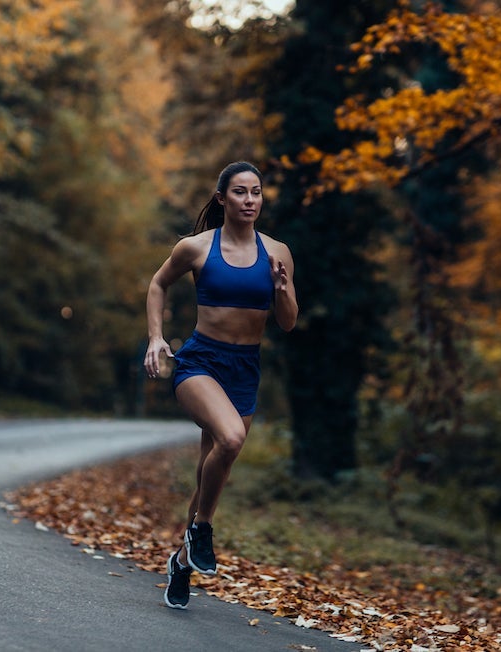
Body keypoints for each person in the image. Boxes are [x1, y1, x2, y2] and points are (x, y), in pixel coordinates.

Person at [144, 161, 298, 610]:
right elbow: (158, 284)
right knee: (230, 440)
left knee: (208, 473)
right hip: (201, 362)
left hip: (244, 369)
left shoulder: (277, 252)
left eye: (256, 192)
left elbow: (288, 322)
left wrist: (282, 289)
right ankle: (202, 530)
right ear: (221, 198)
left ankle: (181, 562)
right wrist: (156, 338)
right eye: (240, 192)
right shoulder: (196, 247)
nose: (250, 200)